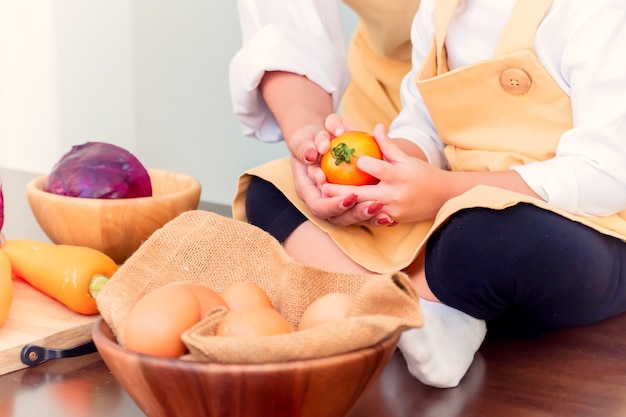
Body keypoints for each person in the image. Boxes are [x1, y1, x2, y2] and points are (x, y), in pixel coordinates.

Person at [229, 0, 626, 388]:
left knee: (491, 238)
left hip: (584, 222)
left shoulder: (597, 12)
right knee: (272, 188)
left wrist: (444, 191)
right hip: (453, 205)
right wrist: (388, 171)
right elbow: (425, 122)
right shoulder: (438, 10)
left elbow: (606, 174)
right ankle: (407, 308)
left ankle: (419, 305)